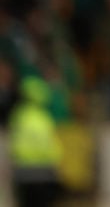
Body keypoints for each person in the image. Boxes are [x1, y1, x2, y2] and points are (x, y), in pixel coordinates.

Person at [9, 75, 63, 207]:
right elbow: (51, 143)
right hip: (44, 170)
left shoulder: (18, 115)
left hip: (24, 169)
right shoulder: (45, 117)